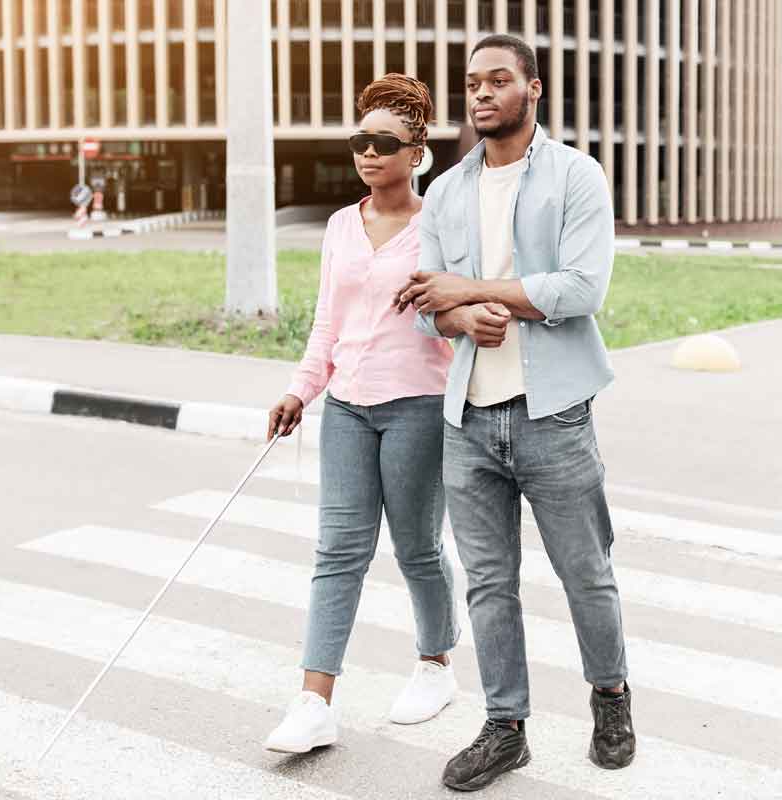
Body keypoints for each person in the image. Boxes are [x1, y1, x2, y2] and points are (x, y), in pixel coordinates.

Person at [394, 35, 636, 791]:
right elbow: (423, 306)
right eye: (472, 83)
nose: (482, 94)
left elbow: (579, 290)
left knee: (585, 572)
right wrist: (458, 318)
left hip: (553, 413)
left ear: (533, 88)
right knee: (488, 583)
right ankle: (506, 728)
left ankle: (611, 697)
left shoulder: (575, 176)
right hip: (467, 417)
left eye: (499, 80)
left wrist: (471, 292)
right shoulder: (445, 193)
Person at [262, 74, 460, 755]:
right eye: (360, 141)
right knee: (338, 552)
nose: (369, 153)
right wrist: (300, 389)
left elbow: (454, 318)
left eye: (385, 143)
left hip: (417, 408)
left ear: (416, 152)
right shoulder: (343, 226)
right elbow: (328, 323)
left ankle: (436, 664)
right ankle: (314, 703)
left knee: (417, 549)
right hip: (346, 406)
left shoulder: (439, 225)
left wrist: (440, 301)